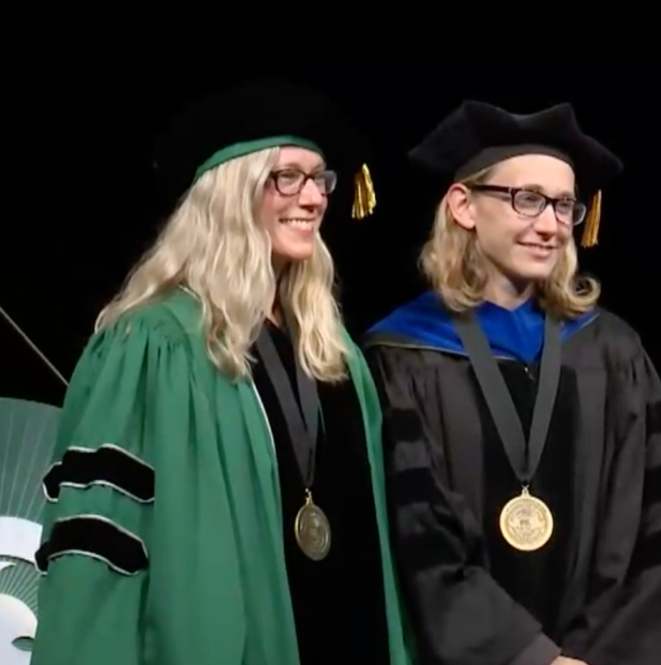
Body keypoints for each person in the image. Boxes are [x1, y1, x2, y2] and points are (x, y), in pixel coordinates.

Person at [31, 80, 413, 665]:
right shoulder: (153, 343)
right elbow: (100, 552)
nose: (313, 198)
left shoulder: (333, 354)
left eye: (320, 179)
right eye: (288, 176)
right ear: (231, 193)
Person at [363, 100, 661, 665]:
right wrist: (528, 656)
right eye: (527, 199)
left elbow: (657, 530)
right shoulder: (403, 353)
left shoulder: (613, 350)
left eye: (564, 206)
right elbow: (418, 538)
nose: (550, 225)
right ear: (463, 206)